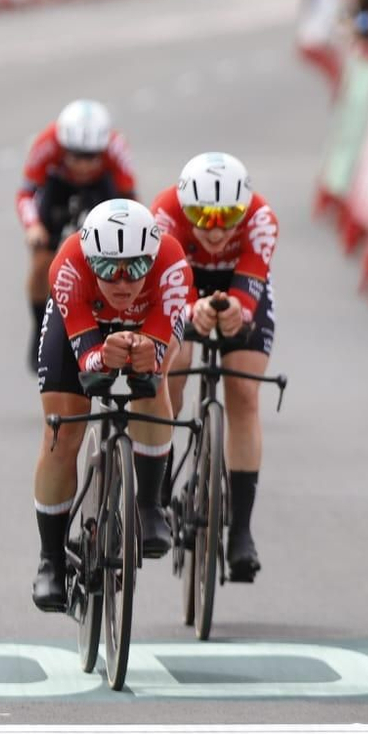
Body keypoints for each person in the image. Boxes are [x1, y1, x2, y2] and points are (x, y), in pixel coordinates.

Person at [31, 199, 193, 612]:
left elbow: (159, 354)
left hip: (147, 323)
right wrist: (105, 355)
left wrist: (145, 354)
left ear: (152, 259)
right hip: (86, 325)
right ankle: (50, 559)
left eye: (136, 268)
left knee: (152, 385)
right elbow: (88, 363)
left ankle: (150, 506)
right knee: (61, 431)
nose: (122, 282)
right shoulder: (67, 265)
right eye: (108, 269)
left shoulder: (173, 265)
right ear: (90, 261)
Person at [152, 152, 279, 583]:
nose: (216, 228)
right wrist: (191, 311)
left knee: (243, 393)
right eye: (203, 217)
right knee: (175, 367)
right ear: (186, 208)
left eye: (227, 217)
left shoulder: (261, 218)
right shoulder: (164, 213)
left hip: (238, 290)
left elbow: (249, 291)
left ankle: (240, 531)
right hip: (180, 287)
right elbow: (164, 288)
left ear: (243, 210)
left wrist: (234, 312)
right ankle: (160, 489)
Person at [17, 100, 139, 361]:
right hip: (58, 185)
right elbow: (26, 193)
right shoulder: (47, 142)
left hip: (100, 187)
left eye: (91, 157)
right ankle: (40, 327)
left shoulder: (116, 148)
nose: (83, 166)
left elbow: (131, 200)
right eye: (76, 156)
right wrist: (34, 227)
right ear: (63, 148)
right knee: (41, 262)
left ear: (103, 149)